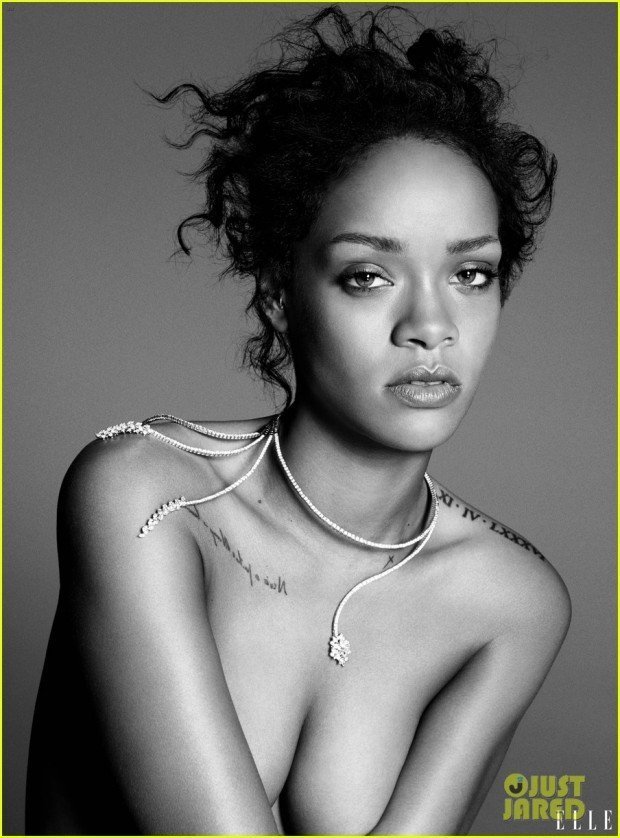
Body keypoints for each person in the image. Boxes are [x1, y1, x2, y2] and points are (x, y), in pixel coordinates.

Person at [26, 6, 570, 835]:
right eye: (368, 275)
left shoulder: (511, 600)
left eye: (470, 274)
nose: (431, 326)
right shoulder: (149, 496)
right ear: (281, 297)